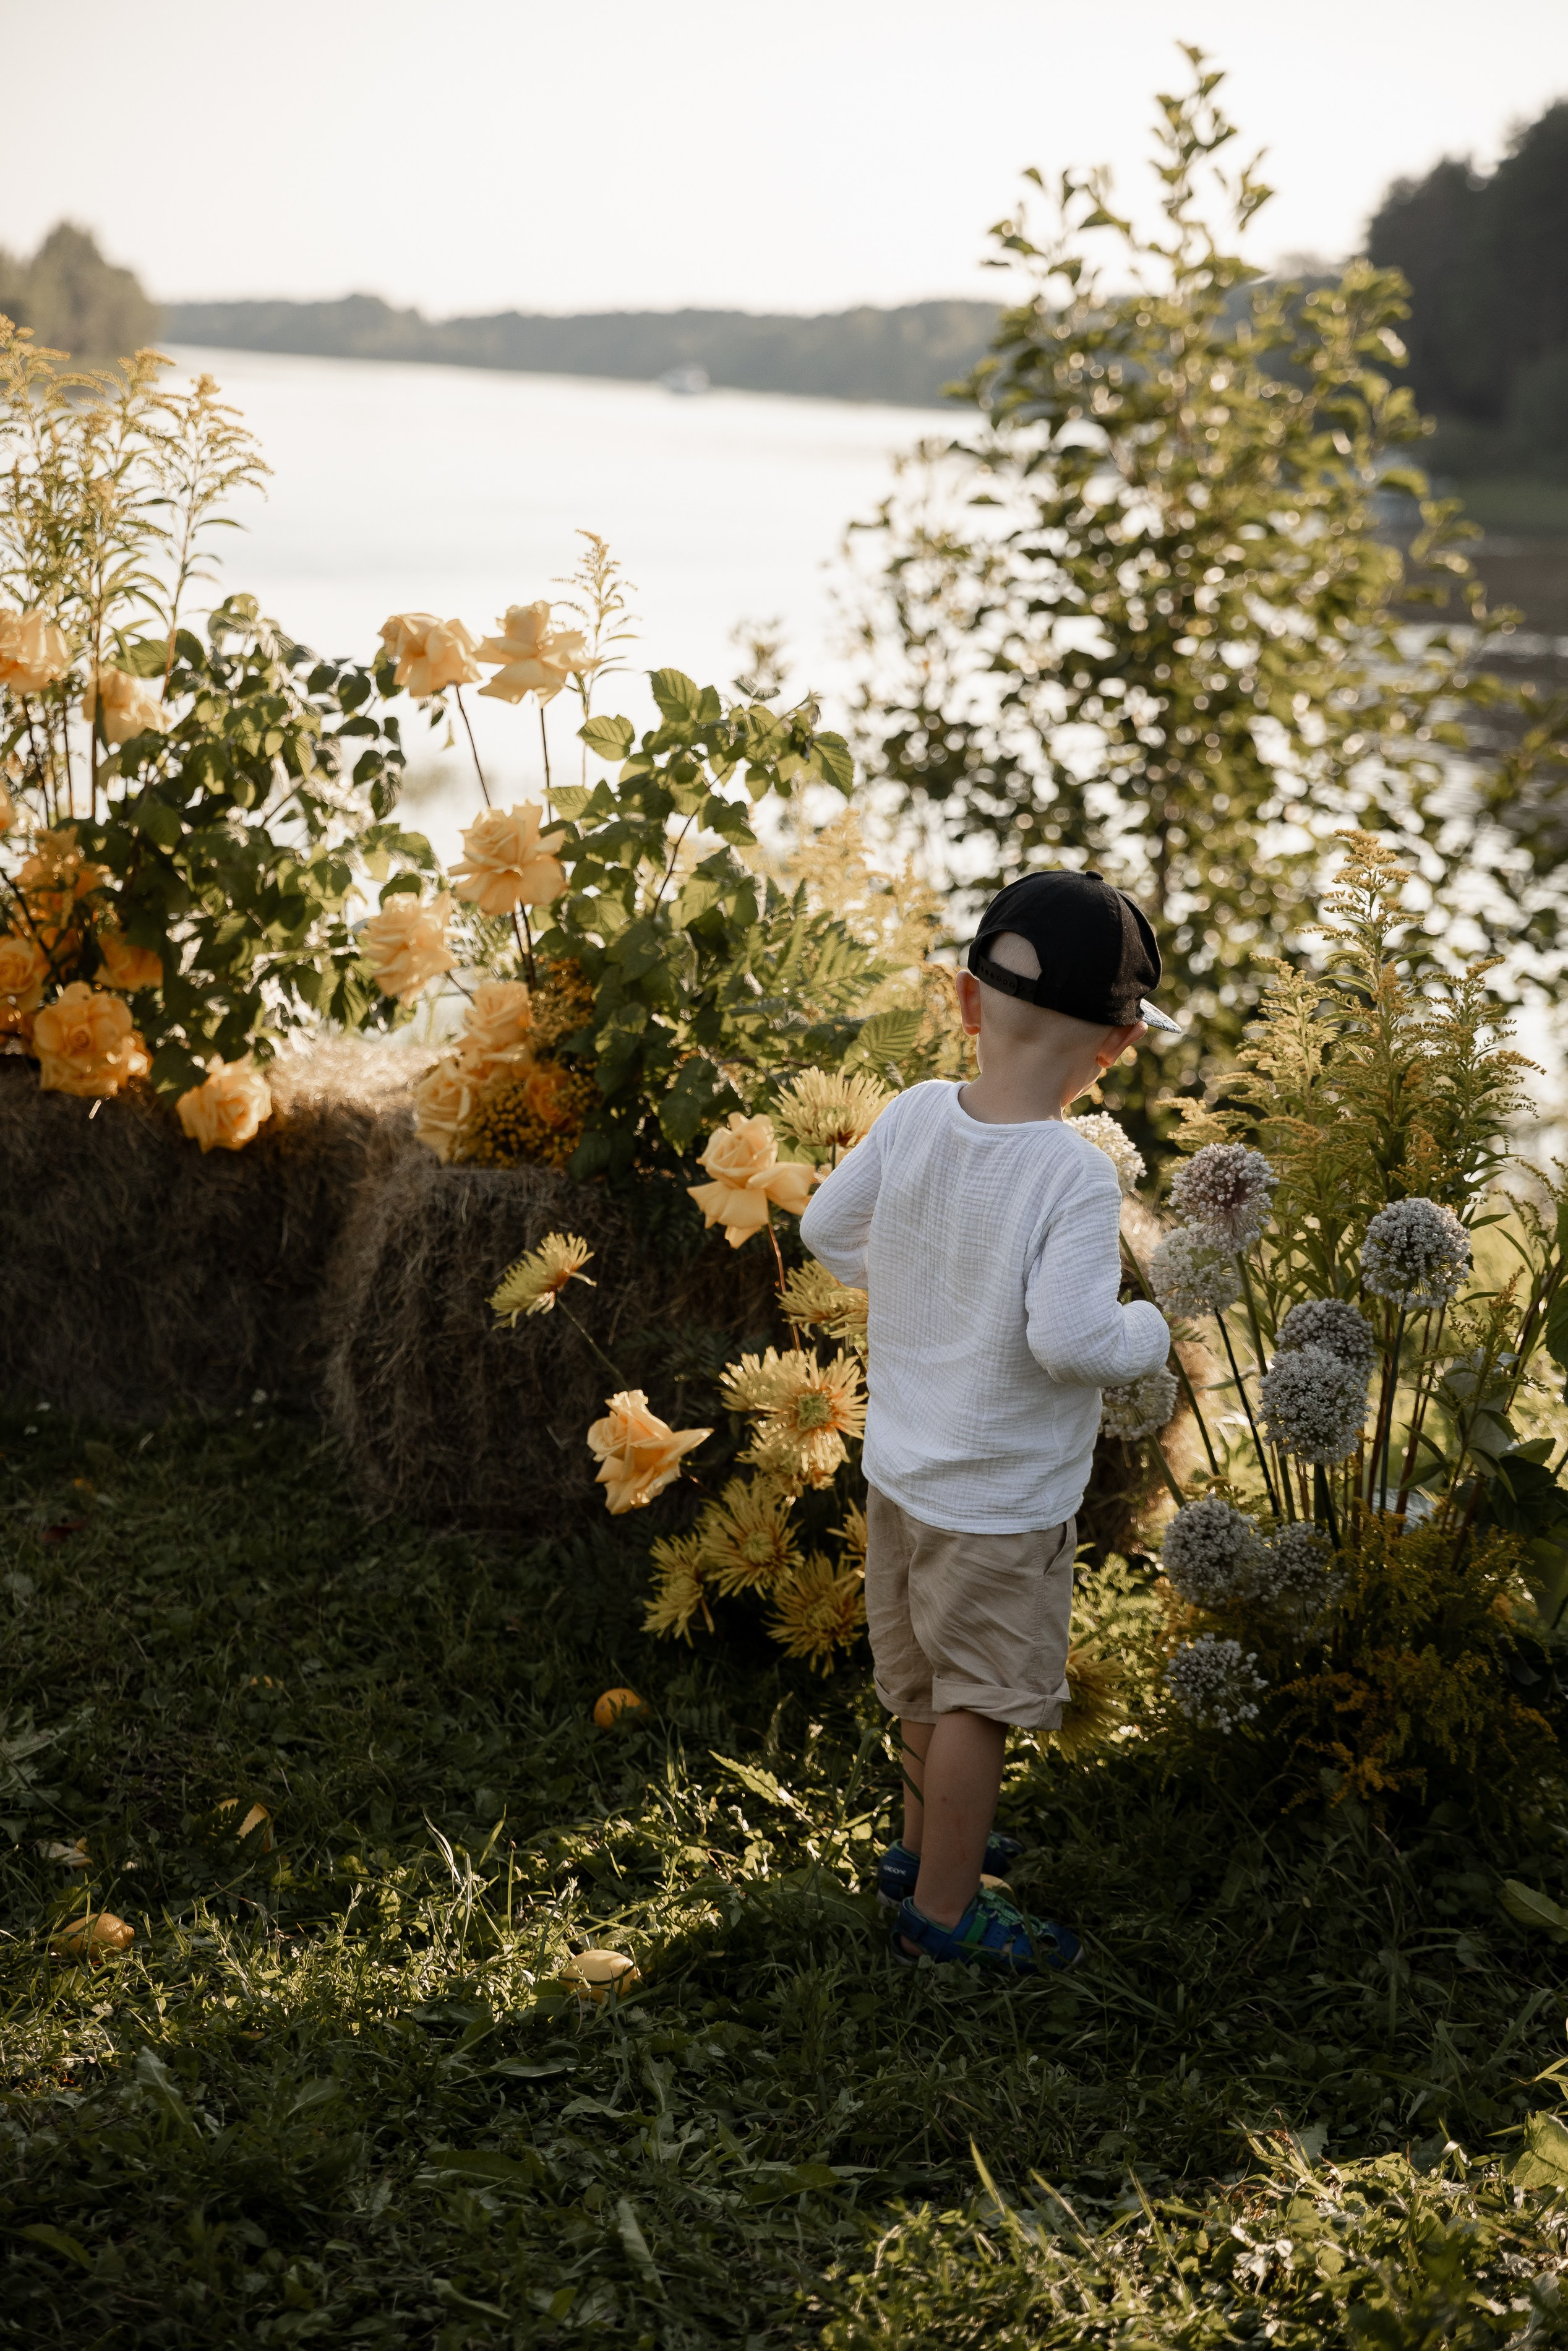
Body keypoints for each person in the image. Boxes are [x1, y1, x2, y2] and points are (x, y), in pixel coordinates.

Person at [799, 870, 1176, 1975]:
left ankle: (921, 1853)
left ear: (968, 1004)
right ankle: (950, 1916)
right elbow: (1071, 1343)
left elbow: (826, 1225)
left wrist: (916, 1280)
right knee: (979, 1703)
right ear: (1114, 1049)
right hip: (1002, 1502)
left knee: (922, 1679)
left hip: (903, 1475)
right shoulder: (1073, 1172)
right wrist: (1146, 1337)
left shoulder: (916, 1114)